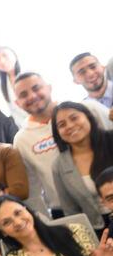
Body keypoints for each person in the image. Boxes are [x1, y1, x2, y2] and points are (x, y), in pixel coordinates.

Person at [12, 71, 112, 215]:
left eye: (36, 88)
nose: (32, 96)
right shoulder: (21, 140)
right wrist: (46, 224)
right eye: (23, 95)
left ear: (49, 88)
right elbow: (32, 189)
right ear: (17, 103)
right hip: (67, 210)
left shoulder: (88, 108)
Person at [51, 101, 113, 230]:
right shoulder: (59, 166)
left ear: (88, 117)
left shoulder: (110, 139)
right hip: (98, 230)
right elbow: (71, 211)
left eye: (74, 118)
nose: (69, 126)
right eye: (62, 125)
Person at [0, 46, 28, 127]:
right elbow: (13, 112)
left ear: (15, 56)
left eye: (4, 55)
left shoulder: (28, 73)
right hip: (25, 127)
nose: (2, 61)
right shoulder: (3, 85)